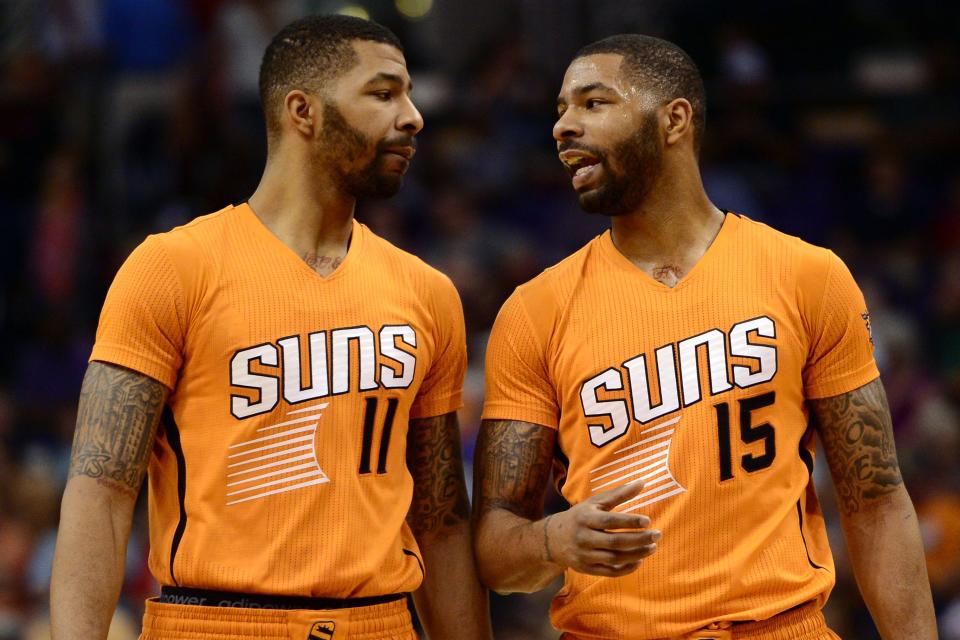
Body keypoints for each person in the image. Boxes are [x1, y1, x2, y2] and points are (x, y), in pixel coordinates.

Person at [472, 34, 937, 639]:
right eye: (559, 109)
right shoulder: (534, 312)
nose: (563, 126)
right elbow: (492, 546)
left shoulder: (806, 276)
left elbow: (875, 499)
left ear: (674, 119)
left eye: (592, 103)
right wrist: (548, 540)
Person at [51, 15, 491, 640]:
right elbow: (99, 488)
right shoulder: (174, 268)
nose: (413, 116)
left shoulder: (427, 292)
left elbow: (442, 520)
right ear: (302, 111)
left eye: (409, 94)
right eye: (384, 93)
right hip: (211, 620)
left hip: (382, 622)